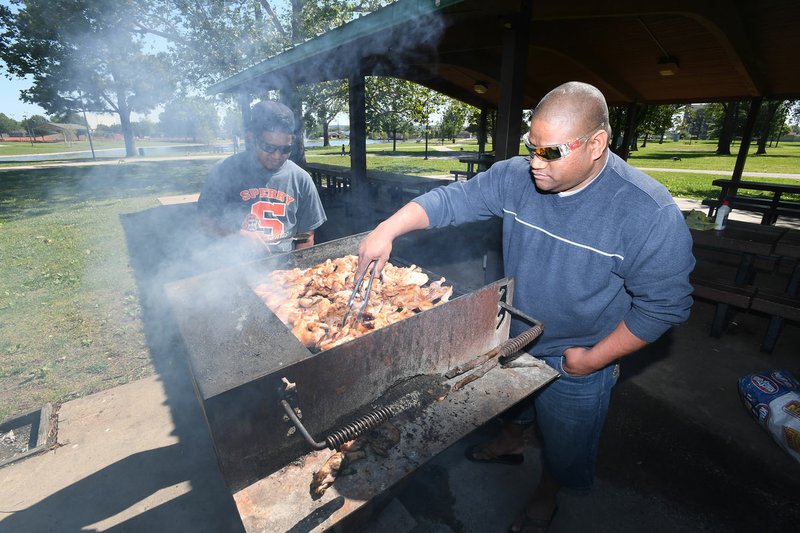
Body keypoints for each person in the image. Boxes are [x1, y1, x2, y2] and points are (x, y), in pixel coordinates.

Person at [356, 81, 695, 532]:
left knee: (566, 442)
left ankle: (546, 494)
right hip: (514, 330)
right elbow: (451, 201)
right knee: (512, 406)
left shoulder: (647, 213)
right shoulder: (516, 176)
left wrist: (593, 360)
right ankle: (511, 442)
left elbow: (665, 306)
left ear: (597, 145)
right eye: (530, 146)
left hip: (578, 352)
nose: (534, 163)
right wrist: (387, 229)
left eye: (550, 152)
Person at [197, 100, 326, 255]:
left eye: (286, 149)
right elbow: (204, 222)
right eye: (269, 147)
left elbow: (306, 237)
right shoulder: (224, 171)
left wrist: (298, 271)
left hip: (284, 272)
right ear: (252, 138)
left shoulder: (301, 179)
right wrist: (238, 234)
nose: (277, 156)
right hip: (234, 268)